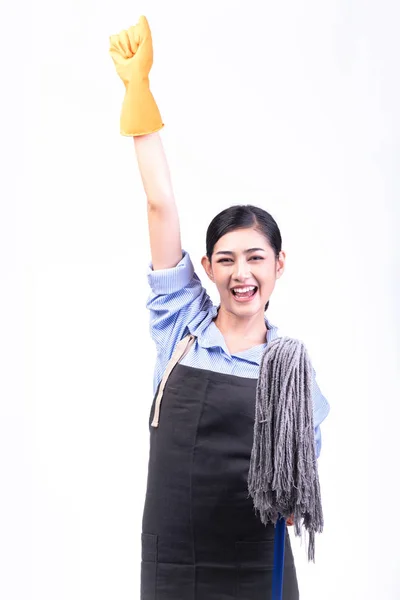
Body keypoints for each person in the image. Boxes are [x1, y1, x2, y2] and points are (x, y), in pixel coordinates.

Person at [110, 16, 330, 600]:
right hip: (173, 563)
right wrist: (139, 97)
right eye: (226, 259)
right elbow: (160, 204)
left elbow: (297, 496)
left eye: (255, 259)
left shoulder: (289, 372)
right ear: (206, 269)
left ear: (279, 266)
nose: (241, 273)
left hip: (256, 569)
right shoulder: (180, 325)